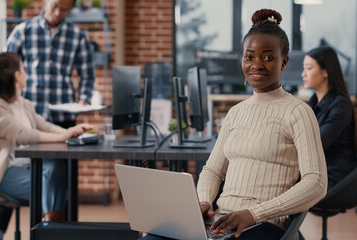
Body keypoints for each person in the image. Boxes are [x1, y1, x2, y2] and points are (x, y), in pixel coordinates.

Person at [139, 9, 327, 240]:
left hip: (264, 225)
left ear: (284, 61)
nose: (256, 64)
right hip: (222, 220)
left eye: (268, 57)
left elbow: (316, 182)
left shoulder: (299, 111)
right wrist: (204, 201)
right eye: (249, 56)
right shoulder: (236, 113)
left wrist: (253, 214)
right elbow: (213, 170)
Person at [0, 52, 92, 240]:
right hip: (4, 173)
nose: (26, 73)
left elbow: (42, 124)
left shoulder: (21, 103)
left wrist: (73, 130)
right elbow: (23, 135)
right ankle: (52, 231)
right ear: (16, 76)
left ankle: (52, 228)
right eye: (23, 69)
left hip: (26, 166)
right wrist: (63, 136)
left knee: (55, 168)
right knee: (54, 188)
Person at [6, 0, 95, 128]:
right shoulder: (22, 31)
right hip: (29, 113)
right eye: (55, 6)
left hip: (63, 115)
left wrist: (84, 98)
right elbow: (6, 68)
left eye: (64, 10)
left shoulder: (78, 35)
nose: (58, 13)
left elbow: (87, 74)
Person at [302, 46, 357, 189]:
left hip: (335, 178)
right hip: (316, 173)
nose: (303, 74)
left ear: (325, 71)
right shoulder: (314, 102)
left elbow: (315, 143)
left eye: (309, 68)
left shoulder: (341, 105)